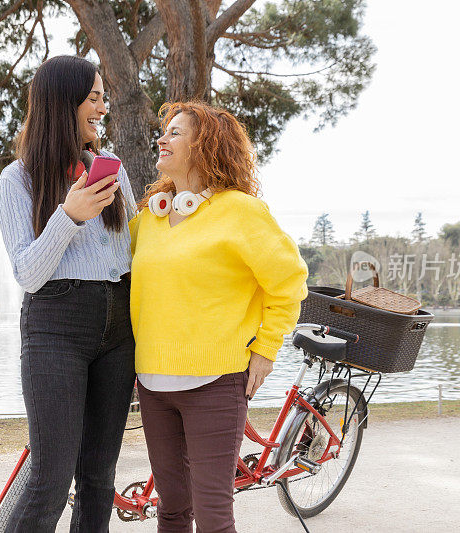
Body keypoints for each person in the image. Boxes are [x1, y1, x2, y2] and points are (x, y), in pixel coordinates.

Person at [129, 101, 309, 533]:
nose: (162, 139)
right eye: (163, 132)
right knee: (171, 509)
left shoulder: (241, 211)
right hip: (153, 385)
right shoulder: (148, 217)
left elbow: (288, 283)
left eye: (175, 132)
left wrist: (266, 349)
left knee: (212, 514)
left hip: (216, 383)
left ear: (205, 144)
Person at [0, 55, 137, 532]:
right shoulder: (18, 179)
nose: (103, 107)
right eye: (94, 97)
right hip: (56, 325)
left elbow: (139, 251)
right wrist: (69, 215)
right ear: (63, 102)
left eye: (104, 97)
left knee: (99, 478)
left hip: (120, 326)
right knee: (50, 478)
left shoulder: (111, 170)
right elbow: (29, 273)